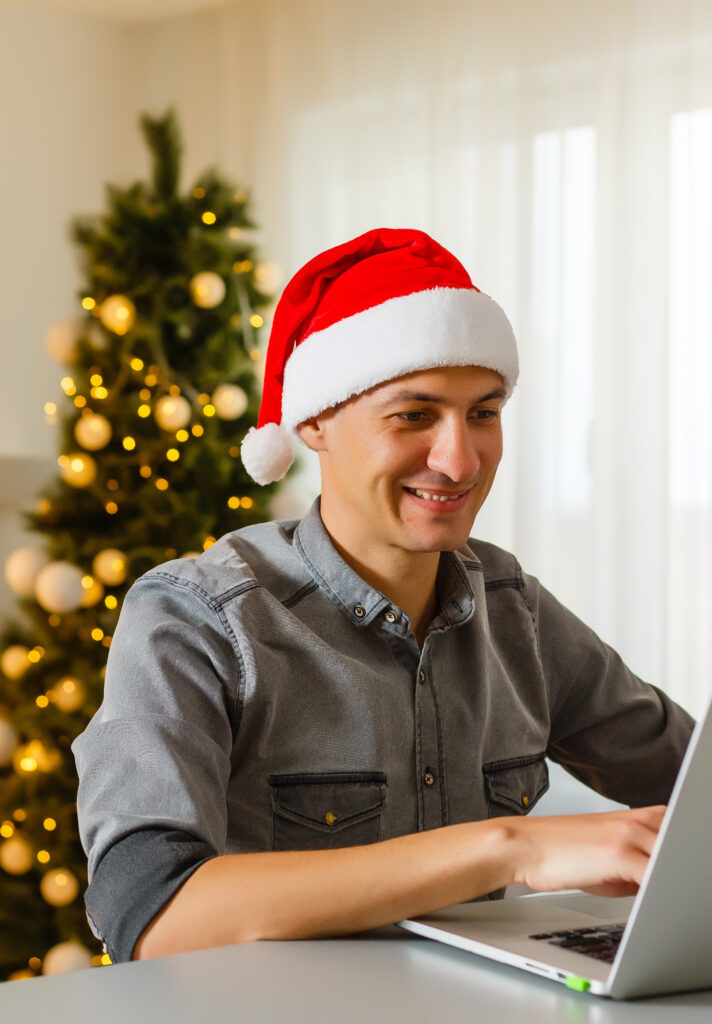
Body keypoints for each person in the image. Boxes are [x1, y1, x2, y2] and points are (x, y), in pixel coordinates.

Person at [71, 228, 695, 965]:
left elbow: (692, 781)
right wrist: (509, 848)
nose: (460, 460)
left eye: (484, 413)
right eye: (414, 415)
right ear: (313, 423)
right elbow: (149, 910)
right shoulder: (196, 617)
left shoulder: (513, 608)